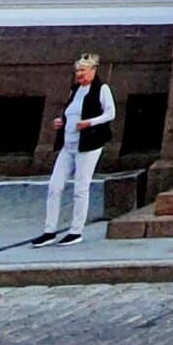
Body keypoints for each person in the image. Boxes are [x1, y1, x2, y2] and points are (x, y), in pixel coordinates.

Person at [31, 53, 115, 247]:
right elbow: (70, 112)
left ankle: (76, 231)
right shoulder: (75, 89)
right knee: (55, 186)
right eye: (77, 70)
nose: (79, 74)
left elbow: (110, 113)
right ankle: (49, 230)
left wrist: (89, 123)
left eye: (83, 70)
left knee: (81, 187)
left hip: (89, 144)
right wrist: (61, 122)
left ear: (93, 71)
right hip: (68, 145)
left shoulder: (102, 89)